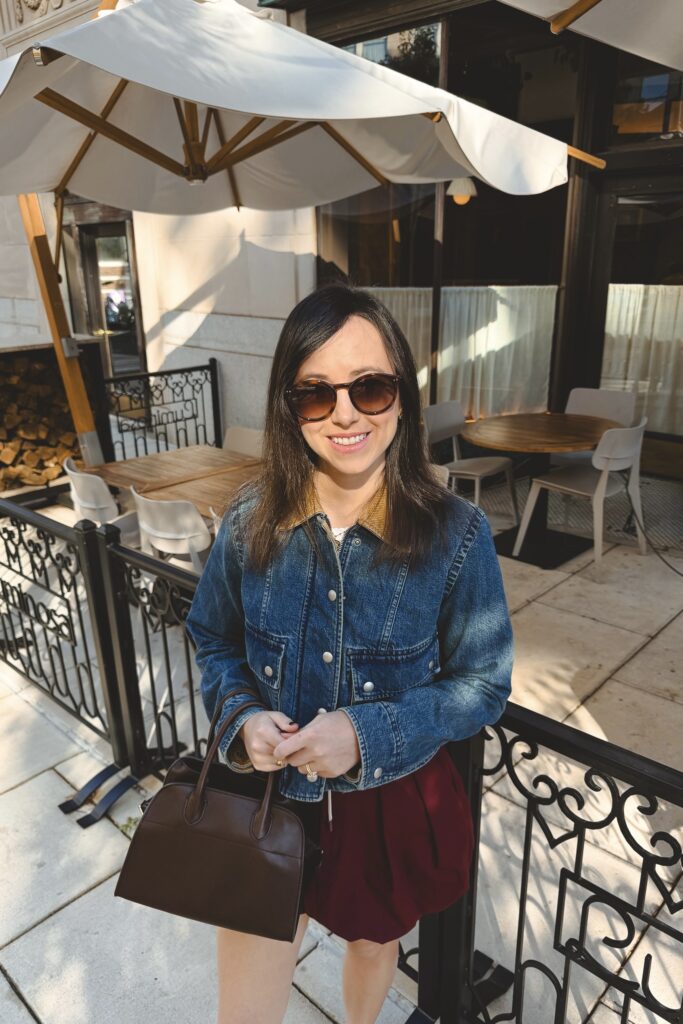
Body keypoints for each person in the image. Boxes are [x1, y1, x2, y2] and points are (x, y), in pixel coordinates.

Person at [185, 283, 513, 1024]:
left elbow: (483, 682)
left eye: (369, 387)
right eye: (314, 394)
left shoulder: (456, 535)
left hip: (387, 801)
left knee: (373, 948)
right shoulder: (248, 520)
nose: (344, 413)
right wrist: (241, 716)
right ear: (286, 406)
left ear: (400, 397)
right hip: (270, 805)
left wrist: (367, 735)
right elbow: (212, 635)